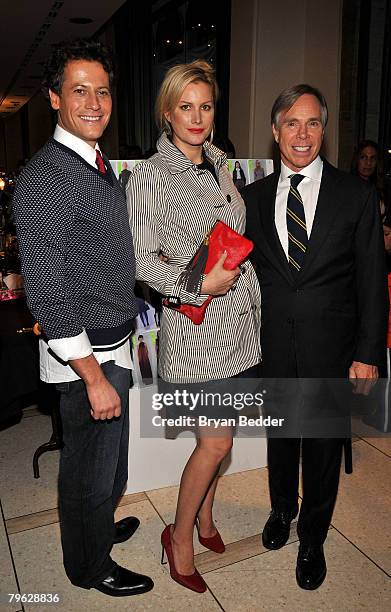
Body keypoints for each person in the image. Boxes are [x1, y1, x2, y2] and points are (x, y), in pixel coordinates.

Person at [13, 39, 153, 598]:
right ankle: (88, 565)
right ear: (53, 98)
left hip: (111, 343)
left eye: (102, 91)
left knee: (110, 466)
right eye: (79, 91)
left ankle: (96, 525)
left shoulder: (94, 161)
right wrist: (93, 376)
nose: (94, 102)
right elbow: (47, 291)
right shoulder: (48, 175)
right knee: (88, 471)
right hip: (85, 359)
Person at [243, 84, 387, 590]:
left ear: (324, 130)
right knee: (281, 440)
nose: (301, 134)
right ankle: (282, 511)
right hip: (274, 347)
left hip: (333, 349)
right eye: (291, 123)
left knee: (323, 448)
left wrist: (369, 353)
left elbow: (372, 280)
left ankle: (313, 540)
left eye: (312, 124)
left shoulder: (356, 194)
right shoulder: (253, 198)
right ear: (276, 130)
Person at [127, 60, 261, 593]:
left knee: (220, 443)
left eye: (205, 106)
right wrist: (198, 287)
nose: (198, 117)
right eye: (186, 106)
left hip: (239, 328)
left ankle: (205, 520)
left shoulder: (223, 166)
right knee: (215, 440)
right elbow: (141, 263)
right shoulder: (149, 176)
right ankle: (178, 538)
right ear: (167, 112)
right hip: (197, 323)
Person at [351, 139, 385, 216]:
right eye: (363, 157)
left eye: (372, 158)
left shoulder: (379, 188)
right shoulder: (348, 187)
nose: (368, 163)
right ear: (357, 160)